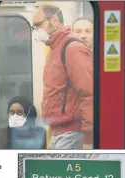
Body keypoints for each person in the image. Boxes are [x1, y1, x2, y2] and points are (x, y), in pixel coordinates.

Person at [32, 4, 93, 150]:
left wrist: (88, 137)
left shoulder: (72, 48)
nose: (36, 31)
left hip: (71, 132)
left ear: (53, 21)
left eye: (38, 25)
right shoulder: (54, 48)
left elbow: (88, 92)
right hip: (58, 130)